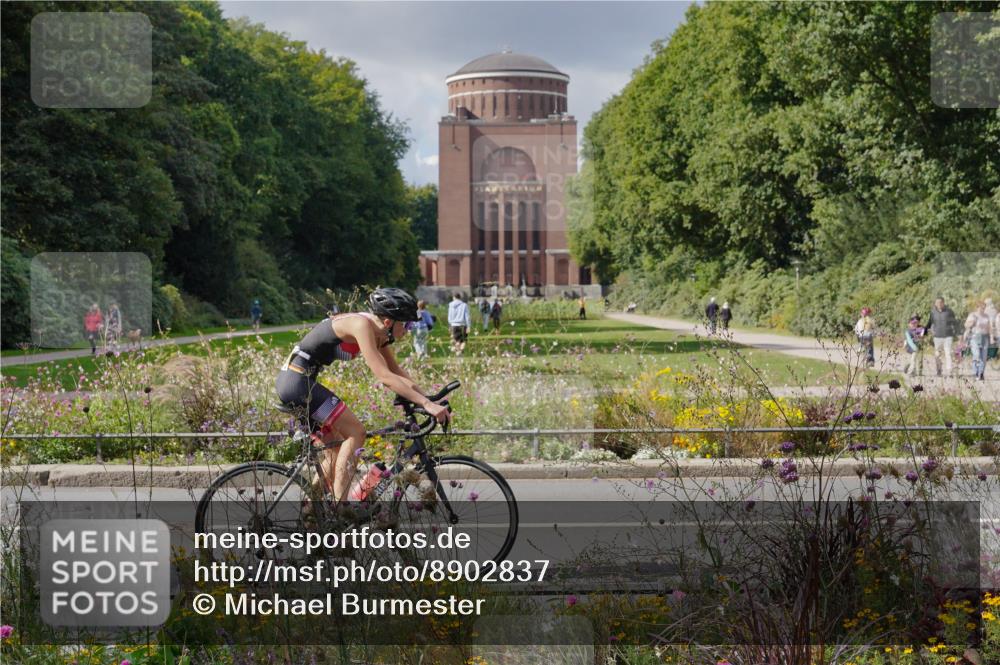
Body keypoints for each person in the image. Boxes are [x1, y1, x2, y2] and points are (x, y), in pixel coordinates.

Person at [275, 288, 450, 514]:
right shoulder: (362, 325)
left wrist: (428, 399)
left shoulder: (381, 335)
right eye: (406, 325)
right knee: (356, 432)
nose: (408, 330)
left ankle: (312, 513)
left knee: (337, 450)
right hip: (296, 382)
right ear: (388, 321)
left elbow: (396, 371)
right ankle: (342, 510)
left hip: (299, 382)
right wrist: (426, 405)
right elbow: (384, 377)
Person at [927, 297, 958, 377]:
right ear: (935, 304)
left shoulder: (949, 311)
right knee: (938, 354)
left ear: (943, 303)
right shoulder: (933, 312)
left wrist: (958, 333)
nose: (939, 304)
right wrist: (923, 332)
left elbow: (954, 322)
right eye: (937, 303)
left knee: (948, 353)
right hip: (937, 337)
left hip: (948, 336)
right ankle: (939, 370)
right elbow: (930, 323)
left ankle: (949, 371)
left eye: (940, 302)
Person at [963, 301, 993, 381]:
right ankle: (975, 373)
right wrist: (971, 323)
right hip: (975, 337)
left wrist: (992, 337)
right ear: (977, 307)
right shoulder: (973, 315)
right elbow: (966, 325)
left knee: (983, 357)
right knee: (976, 355)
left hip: (985, 337)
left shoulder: (986, 316)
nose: (982, 309)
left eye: (984, 308)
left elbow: (990, 327)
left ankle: (981, 373)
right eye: (981, 307)